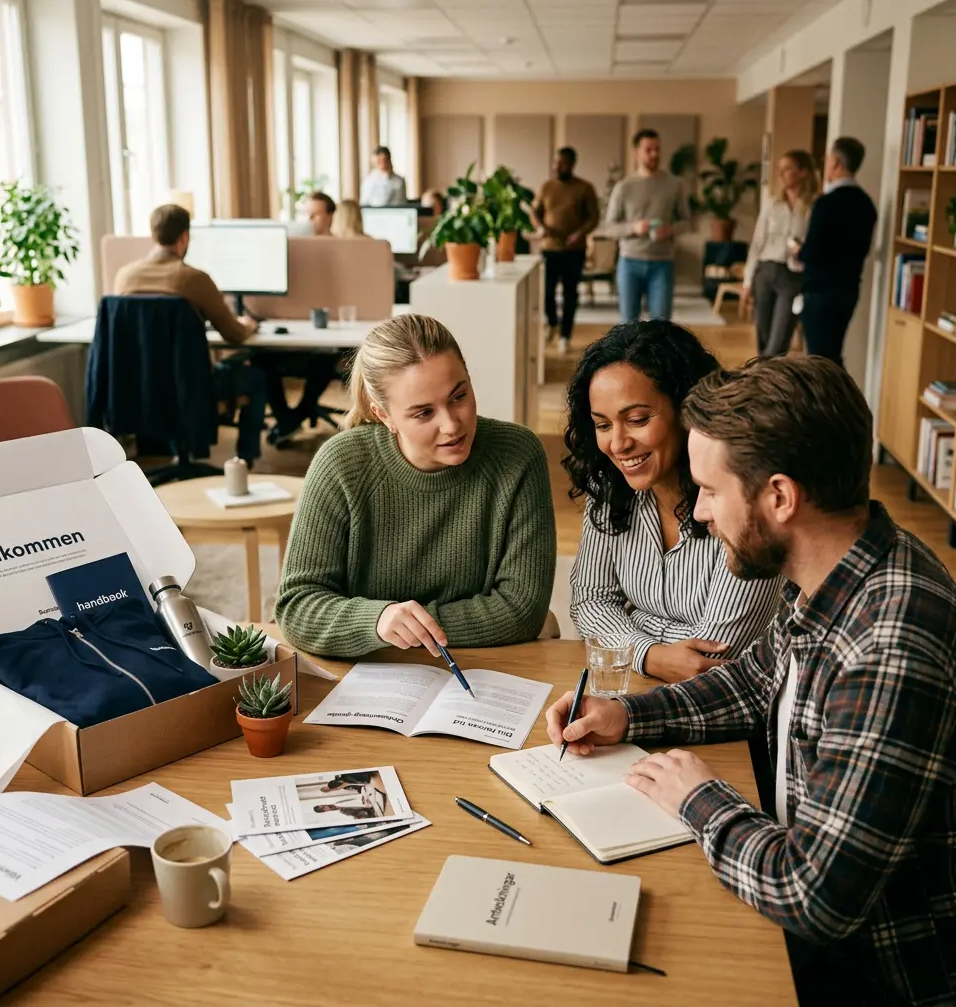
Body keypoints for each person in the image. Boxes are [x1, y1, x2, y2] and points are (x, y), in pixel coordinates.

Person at [545, 356, 956, 1007]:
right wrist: (626, 716)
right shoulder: (841, 565)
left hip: (872, 975)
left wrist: (698, 797)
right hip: (811, 928)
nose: (700, 512)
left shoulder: (888, 645)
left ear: (780, 497)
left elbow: (813, 896)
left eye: (710, 490)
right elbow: (753, 680)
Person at [275, 314, 556, 659]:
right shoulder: (341, 464)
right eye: (423, 413)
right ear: (384, 415)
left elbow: (521, 610)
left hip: (481, 666)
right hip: (369, 672)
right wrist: (378, 620)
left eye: (459, 397)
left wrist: (408, 628)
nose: (452, 425)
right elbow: (297, 606)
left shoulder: (517, 454)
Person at [566, 320, 782, 684]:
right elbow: (588, 601)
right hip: (637, 689)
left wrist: (629, 629)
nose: (618, 444)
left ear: (687, 411)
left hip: (730, 709)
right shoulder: (611, 488)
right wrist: (650, 655)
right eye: (602, 425)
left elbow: (717, 652)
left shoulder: (740, 498)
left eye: (637, 419)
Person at [113, 203, 266, 465]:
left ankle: (178, 455)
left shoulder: (124, 277)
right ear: (184, 237)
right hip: (192, 389)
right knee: (257, 379)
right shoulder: (193, 279)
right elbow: (234, 335)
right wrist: (249, 324)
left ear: (153, 235)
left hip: (139, 387)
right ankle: (244, 460)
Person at [794, 136, 878, 367]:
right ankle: (838, 400)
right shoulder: (866, 204)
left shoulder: (826, 204)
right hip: (848, 289)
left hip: (820, 291)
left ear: (836, 164)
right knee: (832, 354)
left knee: (818, 359)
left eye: (828, 159)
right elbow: (863, 249)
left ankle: (823, 402)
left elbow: (811, 252)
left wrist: (797, 250)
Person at [605, 128, 690, 324]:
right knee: (628, 326)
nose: (655, 154)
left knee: (661, 327)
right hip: (629, 263)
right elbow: (609, 227)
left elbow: (686, 222)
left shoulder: (674, 184)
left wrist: (670, 230)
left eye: (657, 149)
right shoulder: (624, 186)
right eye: (649, 150)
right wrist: (633, 228)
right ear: (636, 152)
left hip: (663, 264)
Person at [742, 150, 818, 357]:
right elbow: (757, 243)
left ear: (802, 172)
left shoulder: (814, 205)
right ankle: (763, 384)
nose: (782, 174)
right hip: (765, 271)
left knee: (778, 343)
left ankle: (766, 383)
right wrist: (748, 281)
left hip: (793, 276)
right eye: (780, 169)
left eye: (788, 168)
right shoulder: (771, 203)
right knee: (763, 339)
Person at [534, 147, 600, 355]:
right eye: (555, 162)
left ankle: (565, 335)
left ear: (571, 164)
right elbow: (535, 212)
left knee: (571, 294)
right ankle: (552, 322)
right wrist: (541, 227)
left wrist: (580, 233)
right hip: (550, 249)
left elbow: (593, 217)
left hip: (574, 251)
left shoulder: (584, 188)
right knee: (547, 293)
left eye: (561, 163)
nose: (557, 166)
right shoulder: (546, 187)